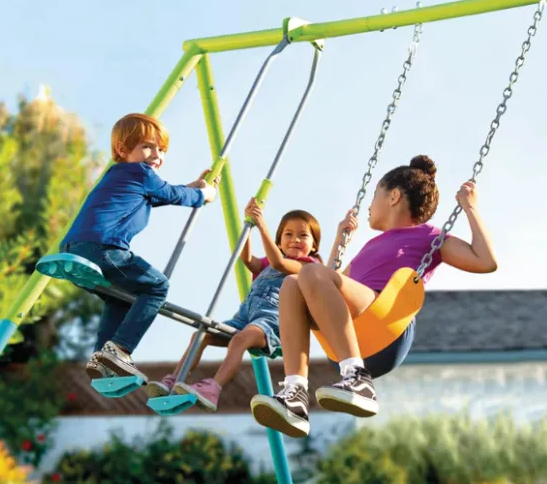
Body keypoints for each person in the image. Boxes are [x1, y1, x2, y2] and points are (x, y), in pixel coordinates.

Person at [250, 155, 498, 438]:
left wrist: (470, 208)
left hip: (386, 322)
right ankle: (295, 394)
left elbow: (485, 261)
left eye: (375, 195)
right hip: (352, 334)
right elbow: (324, 287)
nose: (369, 206)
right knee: (293, 284)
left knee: (309, 273)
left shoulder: (430, 236)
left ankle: (358, 379)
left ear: (393, 196)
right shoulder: (371, 245)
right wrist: (339, 239)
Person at [59, 113, 218, 382]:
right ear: (122, 149)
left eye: (161, 149)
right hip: (104, 249)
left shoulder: (119, 175)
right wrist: (203, 194)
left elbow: (159, 195)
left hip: (76, 249)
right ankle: (120, 350)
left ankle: (102, 356)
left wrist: (193, 187)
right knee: (156, 286)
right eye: (147, 146)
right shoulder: (141, 173)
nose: (156, 155)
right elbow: (171, 194)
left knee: (121, 297)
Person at [145, 199, 323, 412]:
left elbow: (280, 263)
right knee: (201, 335)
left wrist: (262, 225)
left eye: (303, 235)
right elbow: (247, 259)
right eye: (288, 234)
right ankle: (175, 379)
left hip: (272, 321)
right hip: (245, 317)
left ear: (314, 245)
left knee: (240, 340)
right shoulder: (267, 263)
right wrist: (249, 226)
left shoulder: (307, 267)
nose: (295, 240)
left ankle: (213, 388)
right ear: (279, 242)